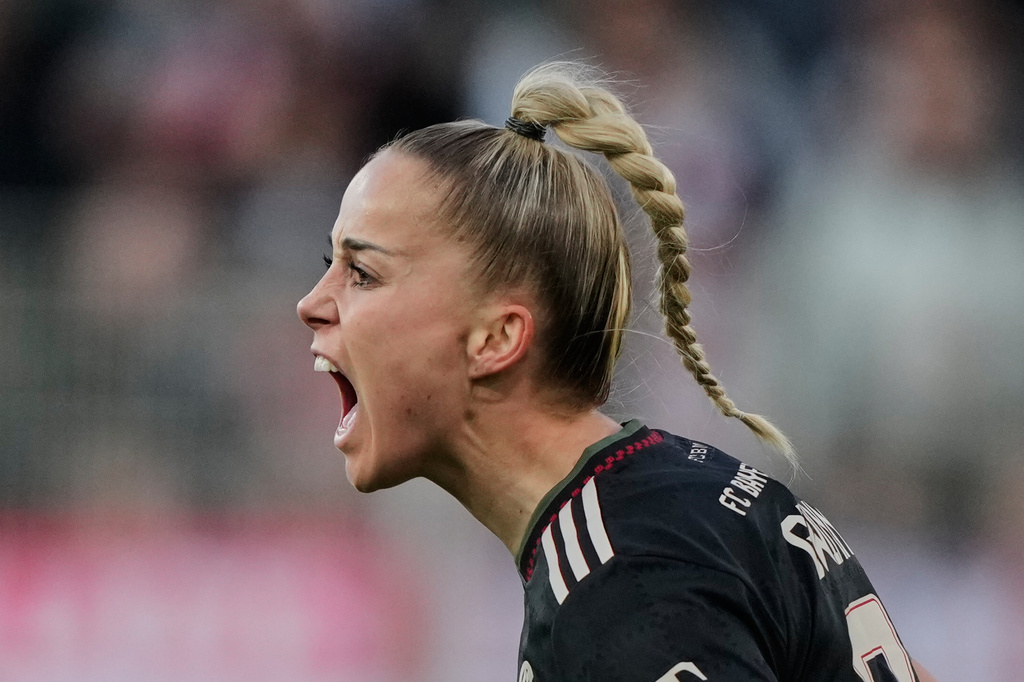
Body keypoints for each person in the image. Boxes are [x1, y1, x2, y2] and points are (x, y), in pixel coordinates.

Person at [297, 63, 937, 682]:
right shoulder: (683, 493)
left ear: (496, 338)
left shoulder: (622, 584)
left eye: (363, 273)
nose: (311, 304)